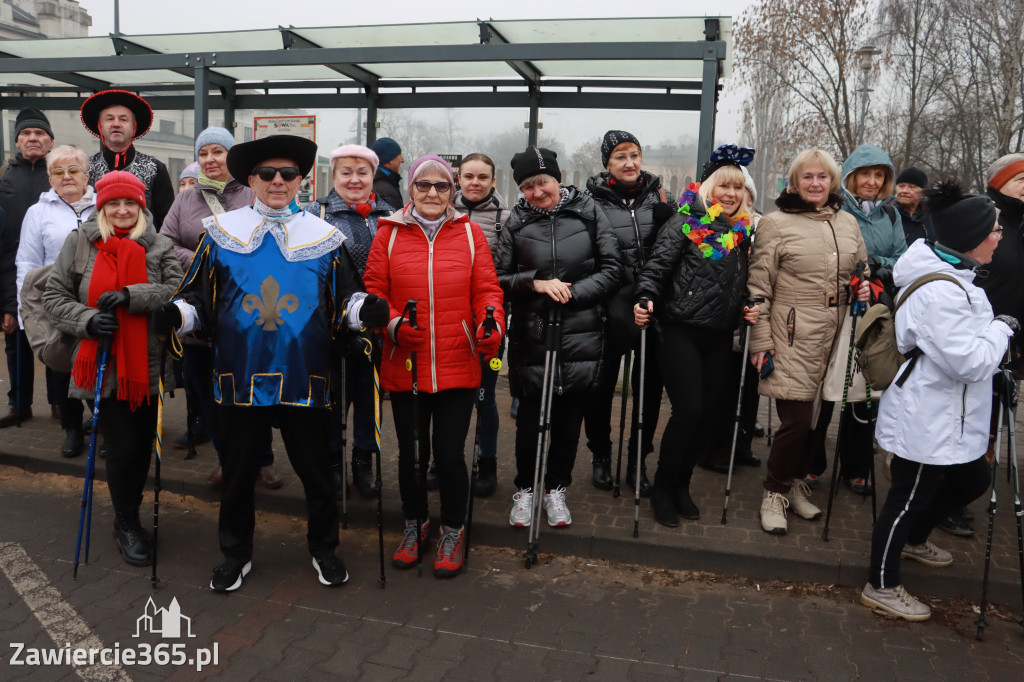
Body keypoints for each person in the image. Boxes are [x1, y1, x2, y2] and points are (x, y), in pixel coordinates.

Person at [154, 135, 391, 592]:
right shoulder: (221, 233)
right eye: (267, 174)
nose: (277, 182)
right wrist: (176, 315)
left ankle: (324, 549)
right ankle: (236, 554)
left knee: (318, 475)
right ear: (251, 179)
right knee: (239, 477)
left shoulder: (325, 237)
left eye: (288, 174)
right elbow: (197, 298)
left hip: (307, 378)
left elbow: (346, 299)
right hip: (238, 379)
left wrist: (367, 311)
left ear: (301, 180)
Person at [862, 179, 1013, 622]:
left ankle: (913, 539)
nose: (1000, 235)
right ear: (972, 238)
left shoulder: (955, 275)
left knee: (971, 482)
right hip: (930, 412)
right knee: (907, 498)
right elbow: (966, 361)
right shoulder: (940, 291)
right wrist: (1003, 328)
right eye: (996, 229)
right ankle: (882, 584)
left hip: (952, 411)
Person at [363, 155, 504, 578]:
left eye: (442, 186)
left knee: (448, 455)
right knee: (410, 455)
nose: (432, 193)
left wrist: (491, 321)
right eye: (423, 185)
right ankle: (415, 523)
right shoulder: (387, 233)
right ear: (411, 188)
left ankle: (454, 529)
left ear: (452, 191)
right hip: (404, 360)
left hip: (458, 362)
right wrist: (390, 325)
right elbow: (373, 291)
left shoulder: (471, 234)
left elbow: (487, 289)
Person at [42, 171, 182, 567]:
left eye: (130, 204)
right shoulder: (80, 243)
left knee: (140, 448)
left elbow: (176, 289)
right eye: (114, 204)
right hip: (101, 363)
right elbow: (54, 295)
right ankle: (126, 521)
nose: (122, 211)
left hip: (146, 365)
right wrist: (86, 319)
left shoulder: (158, 245)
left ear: (142, 207)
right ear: (101, 207)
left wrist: (131, 296)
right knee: (121, 447)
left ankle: (130, 509)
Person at [495, 147, 621, 530]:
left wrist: (574, 292)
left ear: (558, 179)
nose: (537, 191)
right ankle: (526, 489)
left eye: (543, 182)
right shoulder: (514, 223)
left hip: (581, 331)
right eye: (528, 186)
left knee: (569, 420)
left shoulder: (588, 212)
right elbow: (496, 280)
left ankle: (556, 489)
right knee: (531, 419)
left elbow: (614, 267)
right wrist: (534, 284)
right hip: (532, 335)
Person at [633, 144, 758, 526]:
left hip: (719, 334)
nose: (732, 195)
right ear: (708, 188)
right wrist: (644, 297)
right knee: (688, 411)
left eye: (738, 189)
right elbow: (657, 267)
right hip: (679, 329)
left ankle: (683, 484)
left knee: (707, 417)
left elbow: (739, 282)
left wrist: (746, 304)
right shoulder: (686, 221)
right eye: (724, 187)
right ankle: (663, 489)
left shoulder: (742, 232)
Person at [747, 149, 870, 535]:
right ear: (794, 182)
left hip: (836, 335)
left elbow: (860, 268)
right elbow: (758, 288)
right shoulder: (775, 223)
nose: (815, 184)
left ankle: (796, 483)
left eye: (822, 177)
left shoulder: (848, 222)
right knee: (796, 422)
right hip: (792, 333)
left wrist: (864, 287)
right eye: (807, 177)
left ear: (833, 182)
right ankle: (773, 492)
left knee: (820, 420)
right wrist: (760, 341)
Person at [160, 126, 282, 490]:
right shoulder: (184, 199)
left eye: (218, 152)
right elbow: (164, 242)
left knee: (250, 393)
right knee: (207, 395)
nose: (210, 160)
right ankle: (228, 460)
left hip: (247, 313)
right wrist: (201, 258)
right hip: (199, 315)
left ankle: (262, 461)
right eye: (204, 153)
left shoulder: (252, 193)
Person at [808, 144, 906, 496]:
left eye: (879, 175)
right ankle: (811, 463)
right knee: (824, 385)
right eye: (866, 173)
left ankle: (856, 466)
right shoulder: (834, 209)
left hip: (872, 309)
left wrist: (875, 265)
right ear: (851, 176)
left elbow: (902, 259)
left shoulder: (890, 216)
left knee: (864, 388)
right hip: (835, 308)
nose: (872, 180)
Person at [583, 130, 674, 497]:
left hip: (651, 307)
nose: (629, 162)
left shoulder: (659, 196)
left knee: (648, 391)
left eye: (634, 154)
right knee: (600, 388)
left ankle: (638, 461)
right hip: (608, 308)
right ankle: (601, 456)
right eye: (620, 156)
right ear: (608, 163)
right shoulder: (590, 201)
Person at [307, 144, 395, 500]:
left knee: (368, 397)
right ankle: (330, 462)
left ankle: (363, 461)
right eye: (346, 172)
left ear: (373, 176)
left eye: (362, 172)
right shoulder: (315, 213)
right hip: (328, 326)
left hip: (374, 326)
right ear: (334, 176)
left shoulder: (390, 214)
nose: (354, 179)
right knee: (330, 401)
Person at [15, 145, 96, 458]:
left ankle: (104, 422)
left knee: (99, 361)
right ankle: (73, 429)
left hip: (96, 299)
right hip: (55, 301)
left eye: (73, 170)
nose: (66, 177)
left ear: (86, 175)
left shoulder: (105, 206)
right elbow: (27, 263)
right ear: (49, 178)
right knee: (62, 367)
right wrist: (27, 312)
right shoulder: (39, 212)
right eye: (58, 172)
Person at [452, 152, 510, 497]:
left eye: (482, 177)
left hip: (488, 325)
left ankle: (486, 462)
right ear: (459, 178)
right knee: (448, 399)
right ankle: (445, 461)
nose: (475, 183)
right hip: (448, 325)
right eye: (469, 176)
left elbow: (508, 268)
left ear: (493, 180)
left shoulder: (506, 218)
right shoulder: (441, 213)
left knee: (485, 398)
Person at [0, 108, 55, 427]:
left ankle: (59, 401)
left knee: (55, 339)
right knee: (15, 340)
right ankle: (18, 403)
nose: (33, 138)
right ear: (18, 141)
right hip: (14, 273)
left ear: (50, 142)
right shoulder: (5, 178)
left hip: (54, 273)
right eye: (26, 134)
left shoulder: (60, 174)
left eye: (39, 134)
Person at [80, 90, 174, 229]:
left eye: (123, 119)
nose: (116, 124)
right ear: (100, 126)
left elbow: (167, 221)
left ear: (134, 127)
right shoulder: (86, 168)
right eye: (109, 119)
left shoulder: (155, 168)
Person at [894, 167, 934, 245]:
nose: (904, 191)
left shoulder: (933, 217)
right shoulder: (888, 215)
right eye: (901, 186)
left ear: (922, 193)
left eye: (911, 187)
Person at [370, 137, 404, 210]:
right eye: (399, 155)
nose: (402, 160)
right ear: (390, 159)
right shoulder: (385, 190)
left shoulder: (375, 182)